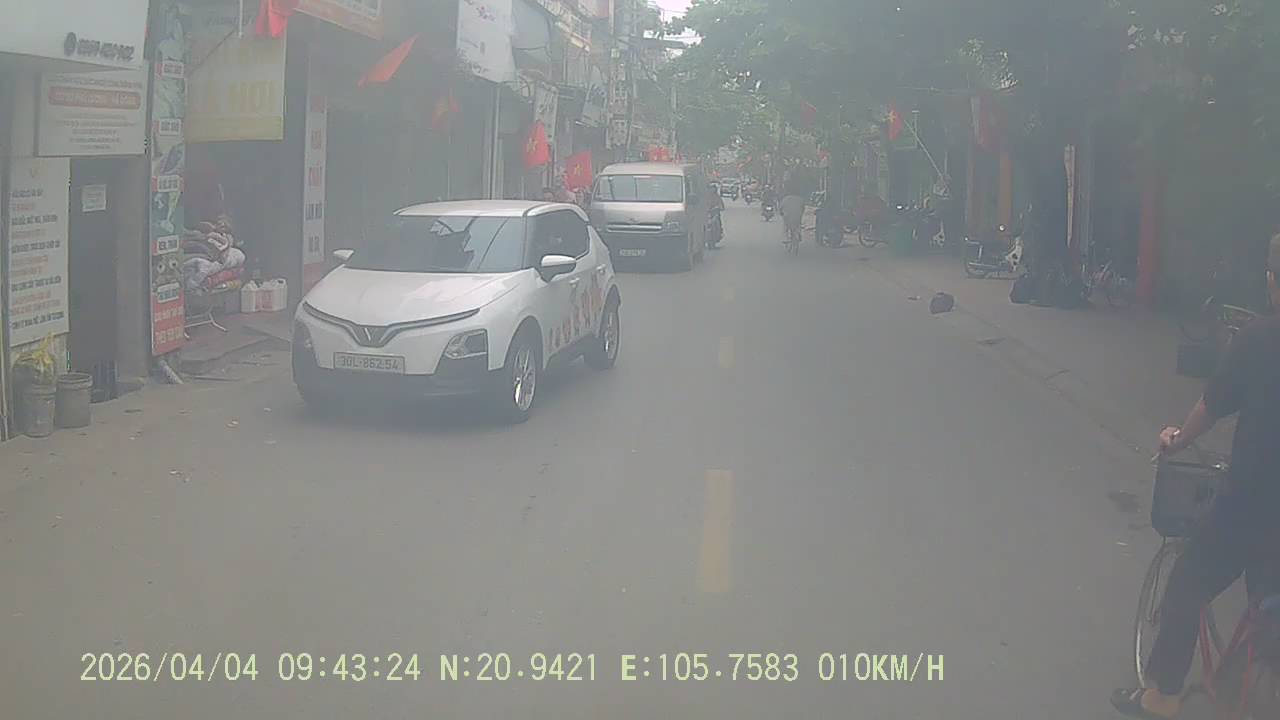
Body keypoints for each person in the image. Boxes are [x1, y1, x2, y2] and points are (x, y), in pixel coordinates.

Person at [1110, 238, 1280, 719]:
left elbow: (1212, 405)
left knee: (1188, 581)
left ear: (1272, 280)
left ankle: (1162, 696)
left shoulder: (1257, 340)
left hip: (1251, 503)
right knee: (1267, 600)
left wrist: (1178, 439)